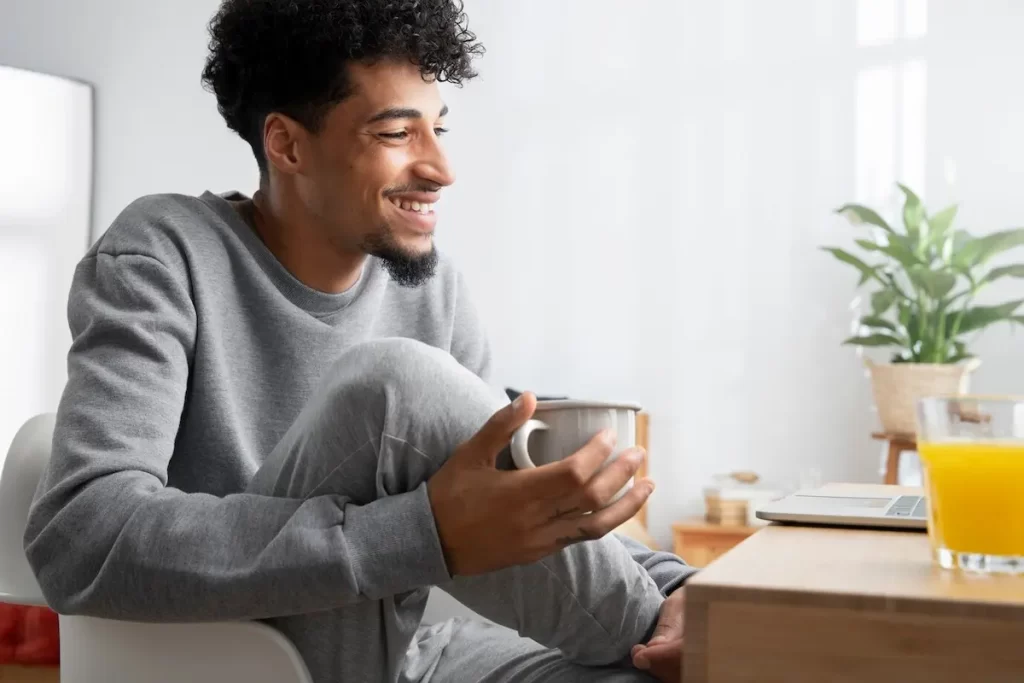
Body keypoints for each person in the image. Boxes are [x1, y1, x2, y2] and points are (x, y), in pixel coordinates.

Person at [23, 1, 695, 681]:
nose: (441, 167)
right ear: (287, 145)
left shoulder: (433, 287)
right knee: (396, 387)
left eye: (438, 129)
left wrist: (678, 588)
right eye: (398, 133)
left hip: (411, 651)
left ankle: (673, 628)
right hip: (235, 652)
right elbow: (81, 537)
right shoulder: (163, 252)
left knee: (639, 674)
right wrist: (423, 534)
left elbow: (511, 498)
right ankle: (668, 632)